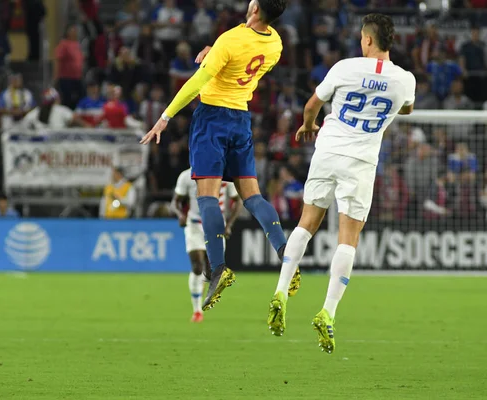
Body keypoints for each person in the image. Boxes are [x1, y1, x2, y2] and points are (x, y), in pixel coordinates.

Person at [268, 14, 415, 353]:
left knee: (306, 224)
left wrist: (308, 125)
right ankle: (328, 312)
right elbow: (406, 109)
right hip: (361, 163)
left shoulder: (344, 68)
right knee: (348, 238)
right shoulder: (404, 80)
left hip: (328, 150)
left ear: (367, 40)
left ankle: (280, 290)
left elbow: (311, 105)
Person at [140, 0, 296, 312]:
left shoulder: (231, 41)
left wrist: (165, 118)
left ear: (254, 8)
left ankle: (218, 268)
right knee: (251, 195)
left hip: (212, 118)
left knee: (207, 196)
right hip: (241, 118)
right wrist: (215, 50)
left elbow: (197, 82)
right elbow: (242, 51)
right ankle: (286, 253)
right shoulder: (275, 43)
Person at [171, 167, 243, 323]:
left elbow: (238, 201)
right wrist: (181, 214)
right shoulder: (187, 175)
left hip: (216, 226)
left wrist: (229, 224)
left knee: (211, 272)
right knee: (197, 266)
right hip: (194, 225)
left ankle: (202, 290)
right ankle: (197, 310)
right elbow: (175, 202)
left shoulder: (225, 176)